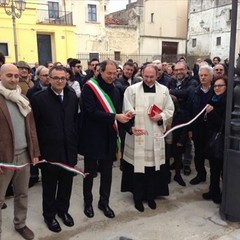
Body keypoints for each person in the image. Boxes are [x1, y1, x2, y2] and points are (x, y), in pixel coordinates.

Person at [79, 60, 132, 219]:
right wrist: (115, 116)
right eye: (108, 73)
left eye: (114, 73)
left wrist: (129, 127)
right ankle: (88, 202)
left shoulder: (115, 90)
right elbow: (90, 112)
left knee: (107, 175)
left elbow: (118, 116)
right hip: (92, 138)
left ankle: (104, 202)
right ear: (100, 72)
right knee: (89, 174)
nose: (111, 76)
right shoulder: (89, 88)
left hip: (109, 138)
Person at [31, 65, 79, 233]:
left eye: (63, 78)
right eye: (56, 78)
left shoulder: (72, 97)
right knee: (50, 187)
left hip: (68, 151)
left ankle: (63, 210)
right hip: (49, 152)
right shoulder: (38, 99)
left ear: (67, 80)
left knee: (67, 185)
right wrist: (36, 152)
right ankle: (49, 215)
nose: (60, 81)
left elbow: (74, 122)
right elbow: (33, 128)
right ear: (48, 79)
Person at [121, 64, 174, 212]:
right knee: (138, 169)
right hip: (138, 134)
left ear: (157, 75)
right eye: (146, 77)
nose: (149, 80)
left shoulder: (163, 91)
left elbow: (170, 109)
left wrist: (160, 116)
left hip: (155, 134)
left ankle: (150, 196)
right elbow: (126, 108)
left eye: (152, 77)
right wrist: (130, 114)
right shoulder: (131, 90)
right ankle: (137, 197)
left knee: (152, 168)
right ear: (141, 75)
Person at [0, 63, 40, 240]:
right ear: (1, 76)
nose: (14, 79)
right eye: (9, 75)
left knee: (22, 193)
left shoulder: (23, 98)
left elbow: (31, 128)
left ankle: (20, 224)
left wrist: (35, 152)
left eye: (16, 76)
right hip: (3, 159)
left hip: (24, 154)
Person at [168, 61, 198, 186]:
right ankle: (173, 170)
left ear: (186, 70)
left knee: (182, 145)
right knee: (172, 145)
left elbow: (187, 93)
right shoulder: (172, 81)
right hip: (172, 118)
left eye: (181, 69)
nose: (179, 72)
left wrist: (171, 92)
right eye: (177, 70)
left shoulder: (193, 82)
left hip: (185, 118)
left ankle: (180, 173)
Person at [202, 77, 227, 204]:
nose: (217, 88)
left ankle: (224, 195)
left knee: (222, 169)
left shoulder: (227, 102)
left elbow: (223, 123)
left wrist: (211, 113)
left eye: (220, 85)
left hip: (221, 139)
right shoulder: (212, 98)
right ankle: (213, 190)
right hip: (211, 137)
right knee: (213, 168)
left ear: (226, 86)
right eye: (215, 86)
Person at [188, 65, 214, 185]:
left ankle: (214, 179)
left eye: (205, 75)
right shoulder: (194, 92)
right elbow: (190, 112)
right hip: (198, 128)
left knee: (212, 155)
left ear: (211, 76)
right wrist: (190, 129)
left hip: (211, 129)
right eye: (201, 75)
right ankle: (201, 174)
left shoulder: (216, 91)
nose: (203, 77)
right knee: (198, 154)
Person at [26, 65, 50, 188]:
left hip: (50, 129)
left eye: (48, 75)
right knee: (35, 152)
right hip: (37, 127)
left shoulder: (53, 91)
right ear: (39, 77)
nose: (47, 78)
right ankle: (34, 175)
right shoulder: (32, 92)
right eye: (44, 75)